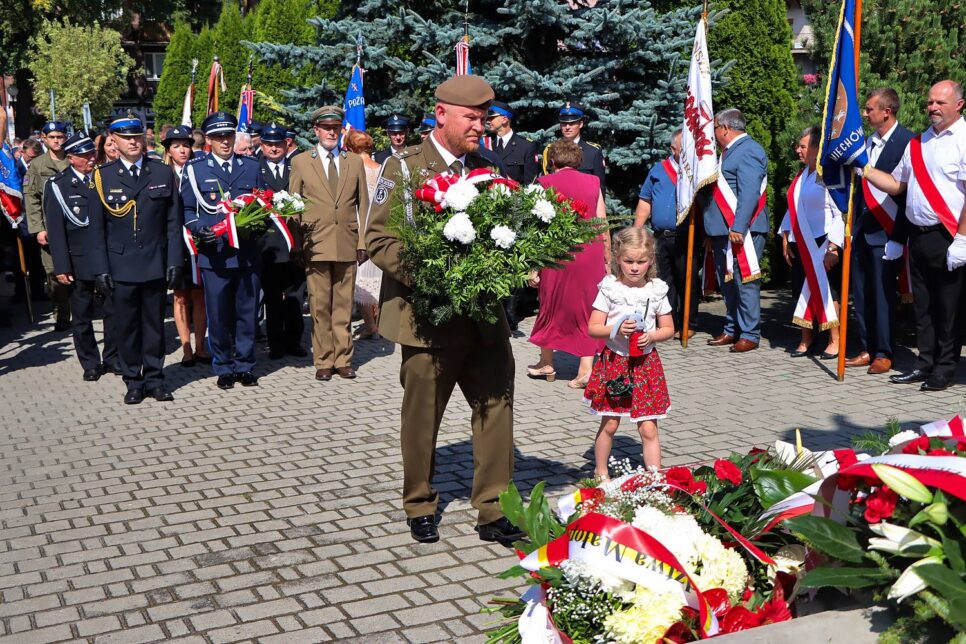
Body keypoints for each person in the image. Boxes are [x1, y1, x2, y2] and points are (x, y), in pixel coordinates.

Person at [365, 75, 523, 546]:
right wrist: (433, 275)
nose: (481, 126)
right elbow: (378, 238)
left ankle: (493, 509)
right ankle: (420, 502)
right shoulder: (405, 168)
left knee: (496, 409)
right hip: (426, 320)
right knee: (422, 419)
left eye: (484, 118)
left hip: (483, 320)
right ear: (442, 115)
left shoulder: (487, 166)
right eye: (472, 118)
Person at [863, 80, 966, 392]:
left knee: (949, 307)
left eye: (940, 103)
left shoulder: (963, 138)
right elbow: (898, 186)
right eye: (930, 102)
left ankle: (945, 367)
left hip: (948, 235)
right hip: (918, 237)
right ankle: (925, 362)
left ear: (958, 105)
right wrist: (864, 169)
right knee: (923, 306)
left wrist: (962, 238)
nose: (933, 108)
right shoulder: (918, 143)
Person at [88, 112, 183, 404]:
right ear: (113, 141)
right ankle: (133, 380)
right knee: (126, 327)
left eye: (136, 137)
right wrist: (100, 269)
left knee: (154, 325)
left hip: (154, 262)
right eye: (126, 138)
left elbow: (173, 222)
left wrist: (174, 261)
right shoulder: (103, 177)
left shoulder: (161, 172)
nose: (132, 142)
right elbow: (96, 230)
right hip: (121, 266)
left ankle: (155, 378)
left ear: (144, 138)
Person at [182, 112, 264, 390]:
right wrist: (197, 229)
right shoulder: (196, 169)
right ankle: (224, 366)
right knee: (218, 314)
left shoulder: (251, 166)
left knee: (247, 312)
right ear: (207, 140)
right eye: (218, 137)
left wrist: (259, 223)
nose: (225, 141)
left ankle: (245, 365)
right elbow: (187, 209)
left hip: (245, 253)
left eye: (228, 135)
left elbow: (263, 203)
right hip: (214, 253)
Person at [585, 227, 673, 479]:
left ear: (651, 260)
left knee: (648, 428)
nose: (635, 267)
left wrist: (652, 335)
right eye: (628, 261)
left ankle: (655, 477)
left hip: (646, 364)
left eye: (641, 261)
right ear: (618, 259)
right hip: (615, 363)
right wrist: (616, 329)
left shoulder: (656, 290)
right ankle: (601, 471)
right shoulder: (610, 289)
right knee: (610, 422)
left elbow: (668, 328)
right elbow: (593, 328)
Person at [289, 106, 370, 381]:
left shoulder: (354, 161)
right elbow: (293, 206)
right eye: (326, 128)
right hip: (315, 242)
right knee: (320, 305)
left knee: (344, 305)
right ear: (316, 131)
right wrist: (297, 244)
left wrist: (363, 242)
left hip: (347, 242)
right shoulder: (301, 161)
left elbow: (363, 204)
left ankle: (343, 358)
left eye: (335, 128)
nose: (331, 133)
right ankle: (323, 359)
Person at [526, 140, 608, 388]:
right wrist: (608, 261)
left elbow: (537, 228)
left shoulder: (544, 183)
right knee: (588, 308)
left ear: (552, 162)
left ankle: (547, 363)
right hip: (590, 254)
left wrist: (533, 266)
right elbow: (602, 223)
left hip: (557, 253)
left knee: (550, 305)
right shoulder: (594, 182)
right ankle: (585, 369)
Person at [846, 88, 915, 375]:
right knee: (861, 294)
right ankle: (867, 347)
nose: (865, 113)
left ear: (887, 111)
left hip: (888, 231)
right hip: (863, 230)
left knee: (883, 295)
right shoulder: (865, 142)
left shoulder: (908, 141)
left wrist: (899, 238)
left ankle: (885, 352)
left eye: (869, 108)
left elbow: (906, 195)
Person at [41, 133, 119, 380]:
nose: (91, 159)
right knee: (82, 315)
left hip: (107, 258)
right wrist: (62, 266)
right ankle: (90, 363)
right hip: (78, 260)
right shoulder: (58, 185)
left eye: (92, 154)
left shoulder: (104, 178)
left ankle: (113, 358)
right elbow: (56, 230)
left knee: (113, 311)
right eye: (84, 155)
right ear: (71, 158)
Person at [701, 108, 770, 353]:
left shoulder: (749, 150)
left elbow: (749, 192)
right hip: (724, 231)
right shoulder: (728, 153)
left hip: (743, 229)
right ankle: (732, 328)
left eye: (715, 129)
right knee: (728, 281)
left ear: (725, 128)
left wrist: (738, 225)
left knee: (745, 280)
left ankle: (750, 333)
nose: (714, 134)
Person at [779, 126, 845, 358]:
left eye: (803, 146)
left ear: (817, 149)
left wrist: (834, 247)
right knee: (800, 290)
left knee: (829, 292)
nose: (798, 150)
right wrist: (786, 236)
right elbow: (794, 208)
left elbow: (841, 214)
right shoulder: (801, 175)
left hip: (822, 242)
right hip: (800, 241)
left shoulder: (829, 174)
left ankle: (834, 340)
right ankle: (806, 338)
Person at [634, 128, 699, 340]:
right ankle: (668, 322)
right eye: (684, 148)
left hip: (687, 236)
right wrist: (638, 231)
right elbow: (645, 201)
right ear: (673, 148)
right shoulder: (658, 171)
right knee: (663, 282)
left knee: (686, 280)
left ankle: (688, 322)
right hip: (661, 236)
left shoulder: (697, 171)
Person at [162, 125, 211, 367]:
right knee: (180, 296)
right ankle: (186, 347)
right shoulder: (162, 174)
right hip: (175, 243)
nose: (182, 150)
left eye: (186, 145)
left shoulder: (199, 171)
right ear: (168, 151)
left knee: (200, 295)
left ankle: (201, 345)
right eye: (176, 146)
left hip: (199, 240)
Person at [257, 122, 306, 359]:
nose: (274, 148)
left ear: (286, 144)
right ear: (262, 145)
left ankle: (294, 342)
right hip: (268, 246)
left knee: (296, 296)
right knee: (273, 298)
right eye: (269, 144)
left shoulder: (296, 168)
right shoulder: (255, 170)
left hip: (294, 243)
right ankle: (275, 344)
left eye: (278, 144)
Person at [24, 120, 71, 330]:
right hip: (49, 228)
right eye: (52, 137)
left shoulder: (74, 159)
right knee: (53, 272)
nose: (56, 141)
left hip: (74, 226)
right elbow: (31, 198)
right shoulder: (38, 165)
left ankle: (78, 310)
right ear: (44, 139)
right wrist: (38, 228)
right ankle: (61, 312)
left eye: (60, 137)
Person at [345, 129, 383, 340]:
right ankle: (378, 323)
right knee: (376, 275)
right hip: (378, 226)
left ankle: (370, 326)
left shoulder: (353, 168)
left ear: (350, 148)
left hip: (359, 225)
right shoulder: (380, 169)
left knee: (362, 278)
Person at [541, 101, 606, 192]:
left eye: (572, 123)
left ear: (581, 124)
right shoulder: (551, 150)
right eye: (564, 123)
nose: (567, 127)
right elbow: (546, 184)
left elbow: (600, 188)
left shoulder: (593, 151)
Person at [485, 101, 539, 185]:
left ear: (504, 119)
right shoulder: (486, 142)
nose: (487, 121)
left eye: (491, 118)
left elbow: (530, 184)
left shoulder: (526, 146)